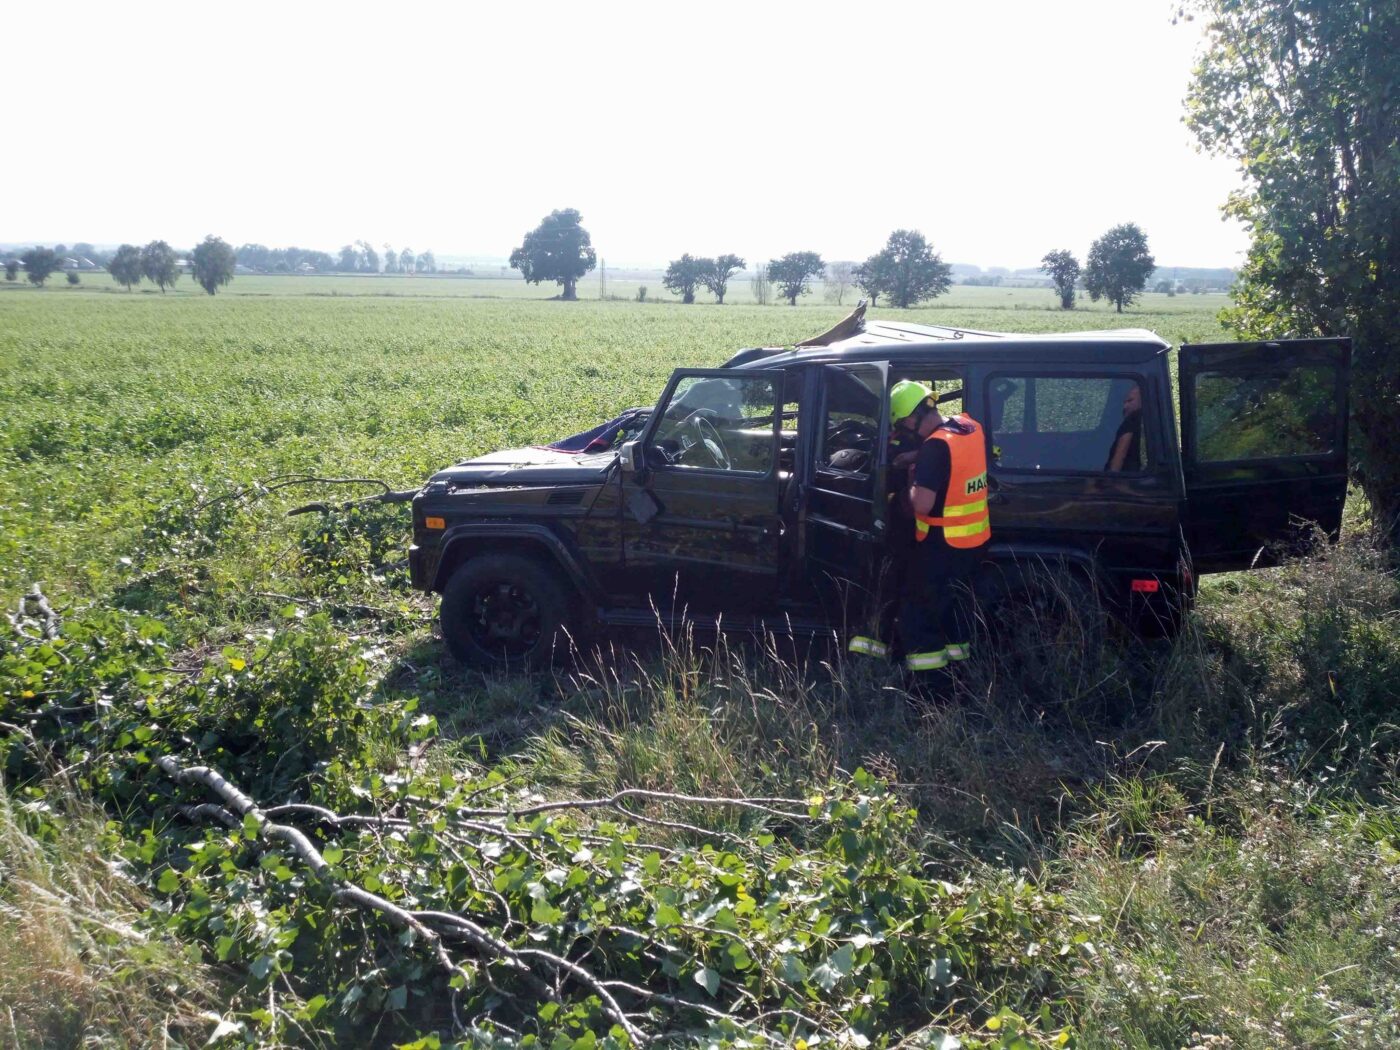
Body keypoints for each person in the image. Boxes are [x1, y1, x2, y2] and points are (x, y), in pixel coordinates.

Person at [848, 381, 991, 684]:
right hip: (973, 542)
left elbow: (922, 505)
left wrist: (906, 488)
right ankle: (960, 677)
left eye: (901, 425)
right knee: (953, 612)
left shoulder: (934, 448)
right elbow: (956, 461)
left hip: (943, 547)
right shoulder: (968, 427)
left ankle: (930, 694)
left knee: (917, 618)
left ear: (912, 418)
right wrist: (916, 457)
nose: (902, 433)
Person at [1105, 383, 1143, 471]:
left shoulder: (1132, 420)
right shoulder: (1144, 422)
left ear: (1143, 400)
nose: (1125, 406)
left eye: (1130, 401)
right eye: (1124, 402)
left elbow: (1121, 450)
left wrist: (1111, 477)